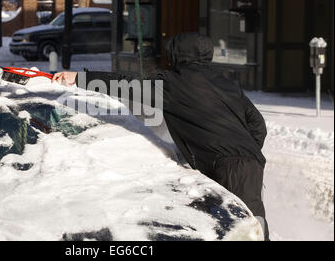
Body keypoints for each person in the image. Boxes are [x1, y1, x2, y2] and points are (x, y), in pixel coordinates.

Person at [52, 32, 269, 240]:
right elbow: (257, 125)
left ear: (178, 55)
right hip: (245, 165)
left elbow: (125, 84)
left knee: (247, 231)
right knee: (235, 229)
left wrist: (80, 78)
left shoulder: (173, 84)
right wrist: (247, 154)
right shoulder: (226, 83)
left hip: (231, 167)